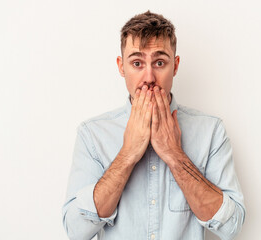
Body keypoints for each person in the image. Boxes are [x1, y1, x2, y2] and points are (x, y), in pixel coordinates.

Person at [62, 11, 245, 240]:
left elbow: (231, 226)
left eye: (159, 62)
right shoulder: (92, 134)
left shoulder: (211, 131)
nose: (149, 77)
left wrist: (174, 155)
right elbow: (75, 230)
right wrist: (128, 154)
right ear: (121, 67)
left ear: (175, 66)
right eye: (137, 63)